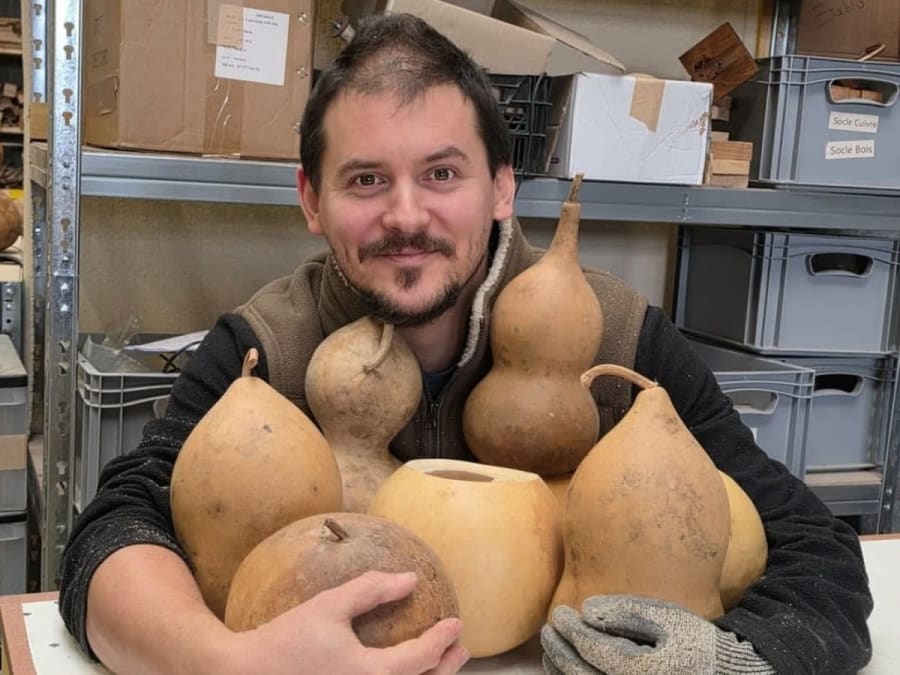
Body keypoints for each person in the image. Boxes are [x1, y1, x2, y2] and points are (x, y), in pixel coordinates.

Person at [59, 12, 873, 675]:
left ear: (502, 187)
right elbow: (113, 530)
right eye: (366, 179)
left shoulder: (620, 338)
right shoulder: (266, 346)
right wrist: (225, 663)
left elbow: (814, 545)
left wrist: (732, 659)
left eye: (442, 174)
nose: (407, 216)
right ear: (311, 199)